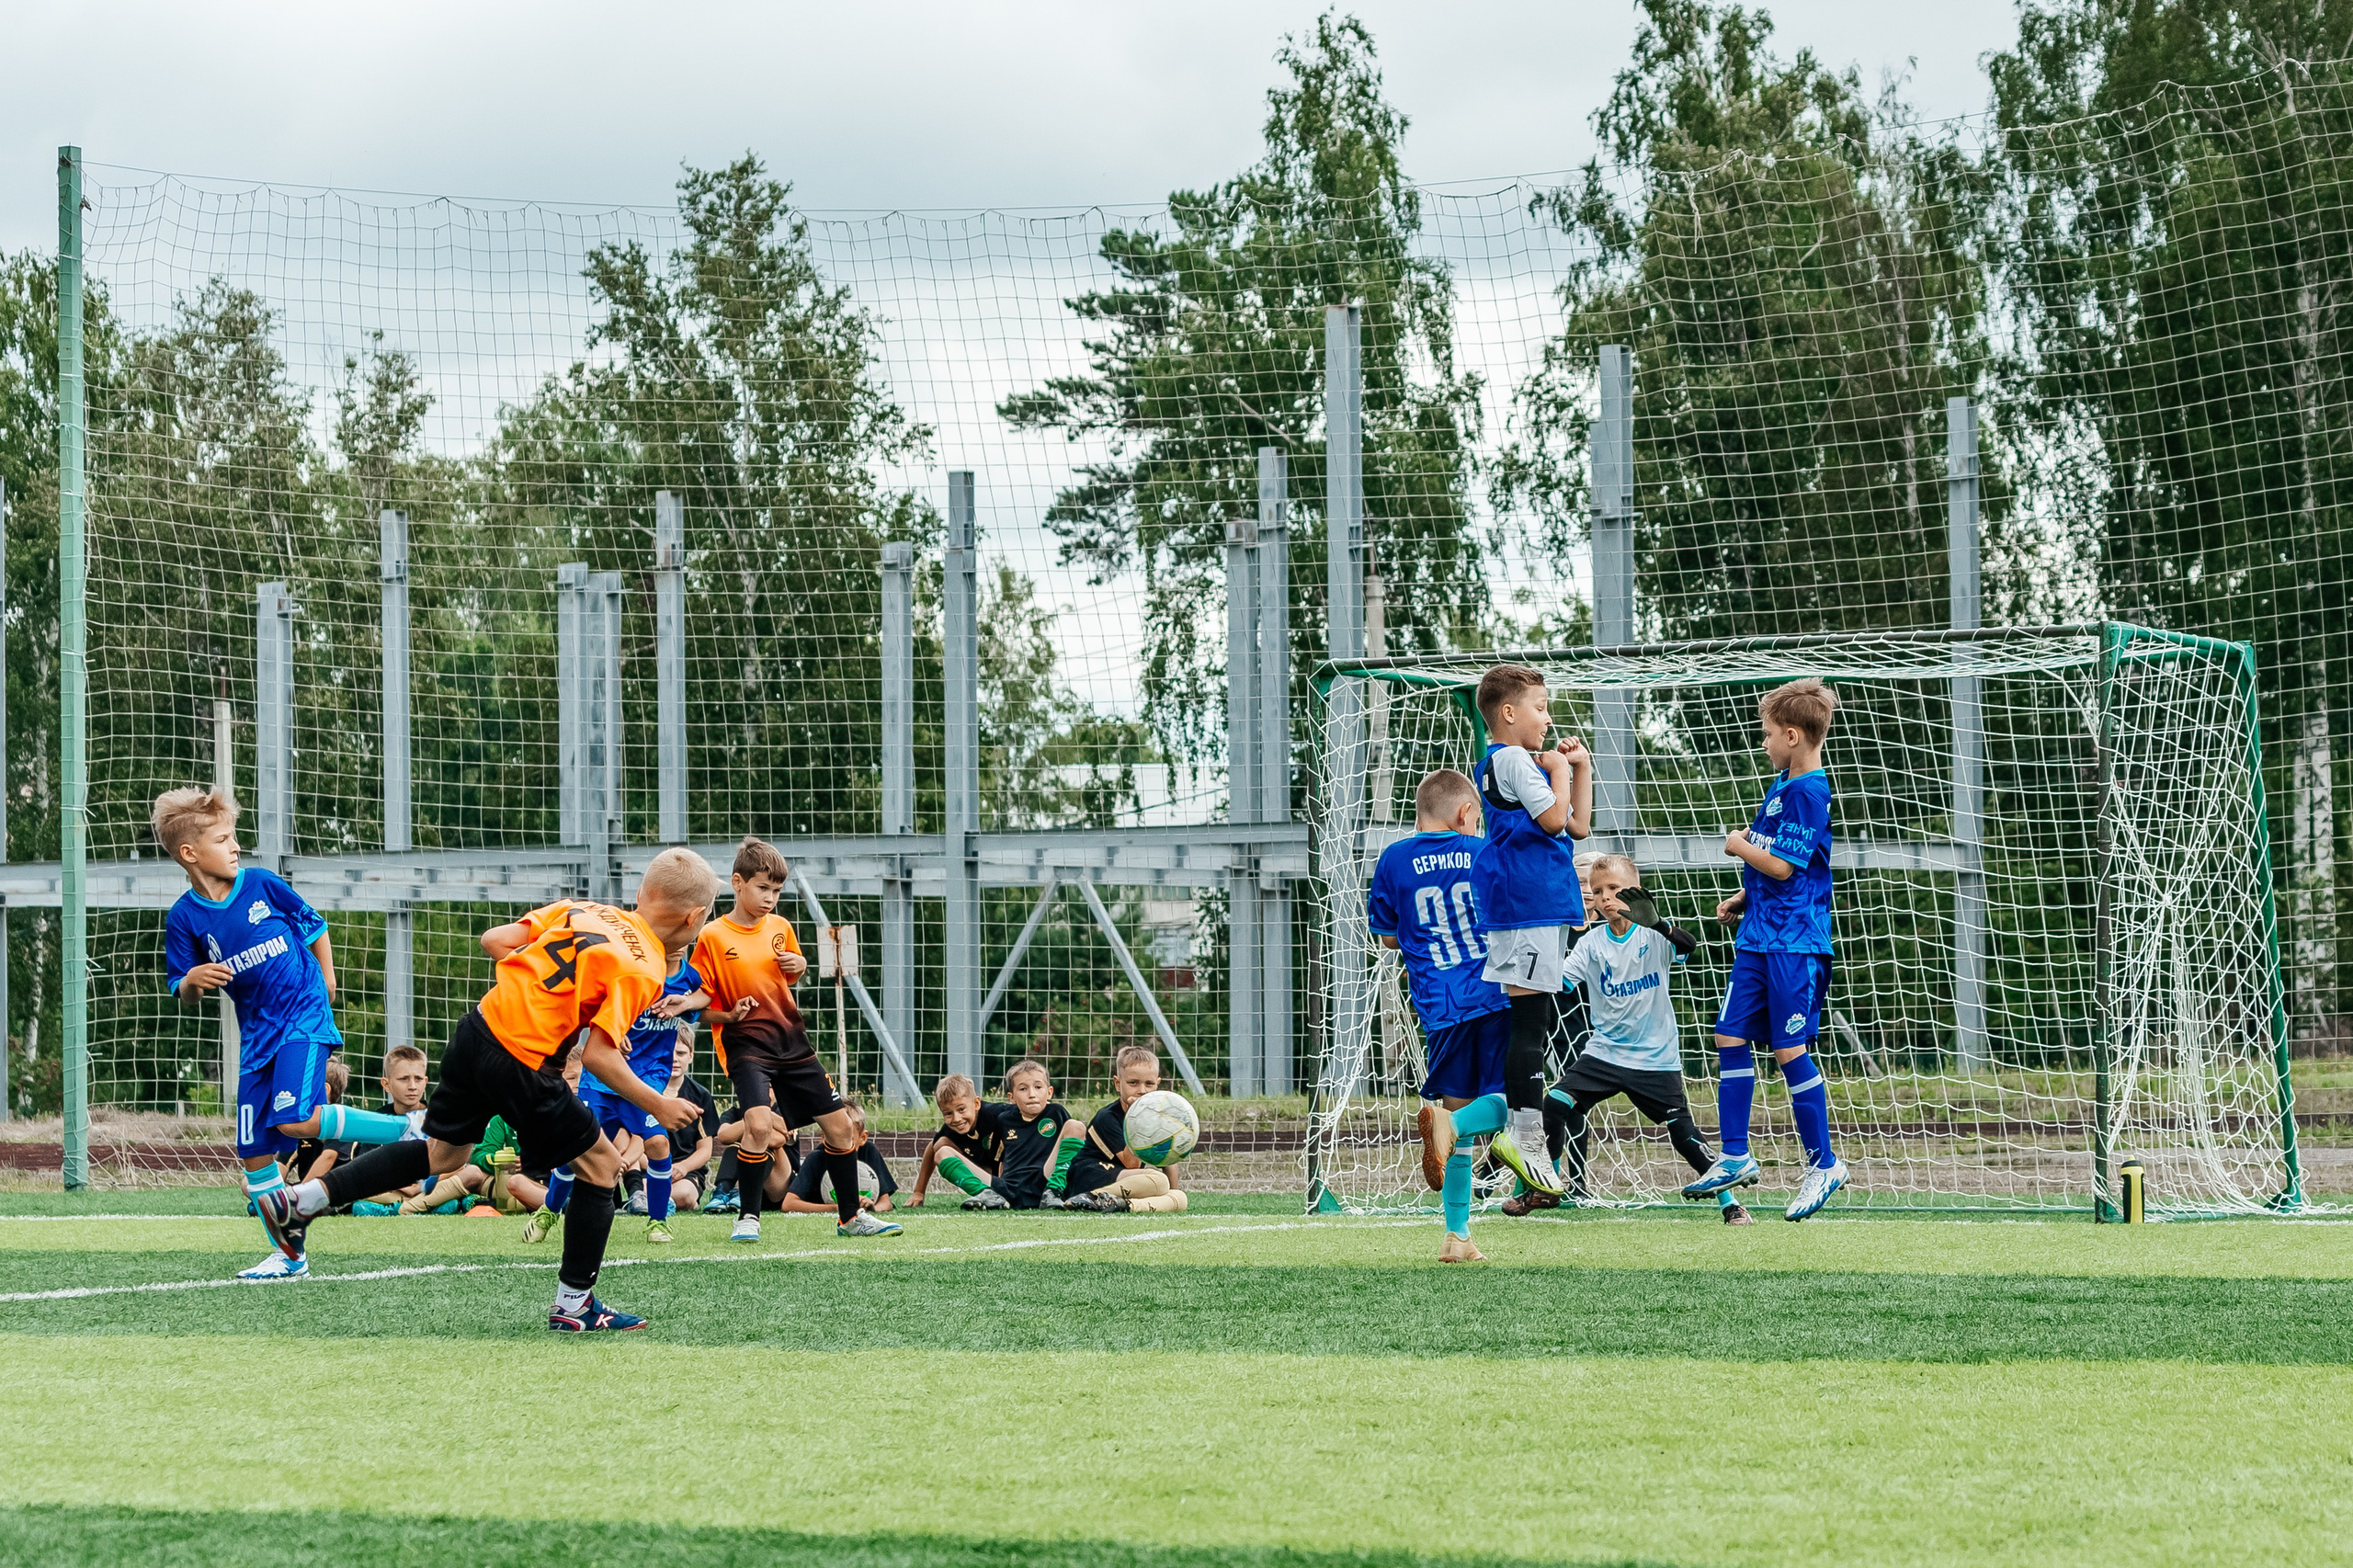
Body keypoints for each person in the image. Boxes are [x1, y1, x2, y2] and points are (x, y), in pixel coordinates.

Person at [256, 849, 720, 1332]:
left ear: (641, 894)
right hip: (523, 1060)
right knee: (602, 1167)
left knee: (443, 1156)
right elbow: (601, 1058)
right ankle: (575, 1305)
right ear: (695, 919)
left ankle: (304, 1199)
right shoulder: (644, 968)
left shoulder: (583, 908)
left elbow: (494, 940)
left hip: (477, 1030)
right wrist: (659, 1104)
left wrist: (546, 996)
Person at [156, 787, 413, 1281]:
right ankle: (290, 1254)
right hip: (258, 1038)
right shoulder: (184, 918)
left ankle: (407, 1129)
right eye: (224, 839)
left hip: (302, 1015)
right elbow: (180, 987)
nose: (235, 847)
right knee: (253, 1153)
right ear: (190, 854)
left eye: (234, 837)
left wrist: (329, 977)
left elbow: (314, 927)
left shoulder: (262, 884)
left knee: (294, 1119)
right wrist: (191, 982)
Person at [1684, 677, 1849, 1221]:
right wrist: (1740, 895)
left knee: (1788, 1051)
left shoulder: (1809, 792)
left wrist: (1739, 846)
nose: (1764, 742)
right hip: (1760, 934)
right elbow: (1779, 867)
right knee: (1728, 1034)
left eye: (1769, 733)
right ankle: (1735, 1154)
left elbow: (1780, 864)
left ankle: (1824, 1163)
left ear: (1795, 735)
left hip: (1795, 943)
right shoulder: (1783, 784)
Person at [1507, 854, 1750, 1225]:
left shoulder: (1653, 934)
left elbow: (1688, 946)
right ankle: (1545, 1188)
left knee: (1683, 1133)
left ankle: (1730, 1204)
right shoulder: (1590, 944)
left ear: (1634, 891)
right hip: (1605, 1054)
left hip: (1655, 1059)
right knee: (1554, 1104)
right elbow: (1559, 981)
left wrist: (1661, 926)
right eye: (1598, 890)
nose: (1605, 898)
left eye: (1614, 889)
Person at [691, 835, 900, 1243]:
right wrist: (724, 1013)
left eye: (777, 890)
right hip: (746, 1046)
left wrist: (801, 964)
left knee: (840, 1129)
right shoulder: (714, 936)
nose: (771, 897)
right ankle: (748, 1217)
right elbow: (701, 1003)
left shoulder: (781, 928)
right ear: (738, 882)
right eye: (762, 888)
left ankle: (850, 1218)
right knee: (756, 1124)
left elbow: (788, 976)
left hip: (793, 1044)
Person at [1466, 665, 1592, 1204]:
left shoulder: (1516, 761)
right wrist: (1560, 772)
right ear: (1509, 713)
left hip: (1532, 903)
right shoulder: (1512, 758)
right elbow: (1551, 821)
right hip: (1525, 903)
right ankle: (1524, 1137)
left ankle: (1516, 1134)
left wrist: (1578, 768)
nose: (1548, 718)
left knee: (1533, 1022)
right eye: (1540, 707)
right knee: (1530, 1026)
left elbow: (1578, 825)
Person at [1374, 768, 1511, 1263]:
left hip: (1438, 1002)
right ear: (1466, 813)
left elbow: (1388, 937)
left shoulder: (1393, 859)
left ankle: (1457, 1235)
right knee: (1518, 1102)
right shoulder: (1481, 852)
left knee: (1456, 1112)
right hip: (1493, 992)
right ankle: (1448, 1130)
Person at [524, 949, 708, 1246]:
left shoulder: (689, 977)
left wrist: (689, 1002)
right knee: (577, 1150)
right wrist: (609, 1025)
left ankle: (658, 1222)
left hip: (646, 1079)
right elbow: (593, 998)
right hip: (602, 1078)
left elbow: (707, 997)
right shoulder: (632, 965)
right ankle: (550, 1209)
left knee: (658, 1143)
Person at [1063, 1045, 1188, 1214]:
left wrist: (1171, 1194)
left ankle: (1123, 1205)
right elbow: (1131, 1164)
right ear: (1117, 1083)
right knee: (1158, 1180)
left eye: (1149, 1084)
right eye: (1133, 1083)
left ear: (1157, 1084)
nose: (1142, 1091)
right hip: (1090, 1176)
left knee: (1180, 1198)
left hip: (1126, 1183)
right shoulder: (1108, 1117)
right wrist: (1135, 1119)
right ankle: (1090, 1197)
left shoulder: (1158, 1117)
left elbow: (1168, 1159)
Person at [958, 1060, 1082, 1211]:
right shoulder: (1004, 1120)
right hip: (1009, 1189)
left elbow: (1070, 1154)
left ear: (1049, 1092)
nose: (1032, 1094)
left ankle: (1054, 1193)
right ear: (1011, 1097)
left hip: (1043, 1182)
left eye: (1038, 1087)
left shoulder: (1056, 1113)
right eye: (1023, 1089)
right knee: (943, 1152)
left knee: (1076, 1126)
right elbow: (1000, 1160)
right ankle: (989, 1195)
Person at [774, 1103, 900, 1215]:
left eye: (848, 1139)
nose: (842, 1146)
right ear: (824, 1136)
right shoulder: (816, 1158)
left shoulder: (868, 1152)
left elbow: (886, 1203)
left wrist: (873, 1208)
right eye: (835, 1138)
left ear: (863, 1138)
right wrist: (837, 1208)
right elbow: (789, 1204)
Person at [907, 1074, 1000, 1207]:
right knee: (940, 1146)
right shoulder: (951, 1129)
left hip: (1014, 1177)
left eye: (961, 1109)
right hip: (988, 1177)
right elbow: (931, 1148)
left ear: (976, 1103)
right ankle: (985, 1193)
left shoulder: (999, 1115)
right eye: (948, 1113)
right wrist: (919, 1192)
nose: (956, 1118)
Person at [286, 1055, 354, 1186]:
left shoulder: (341, 1120)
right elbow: (283, 1161)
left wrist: (299, 1195)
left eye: (305, 1086)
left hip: (333, 1190)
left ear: (325, 1090)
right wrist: (271, 1188)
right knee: (249, 1184)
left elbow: (328, 1158)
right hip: (306, 1189)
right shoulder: (303, 1122)